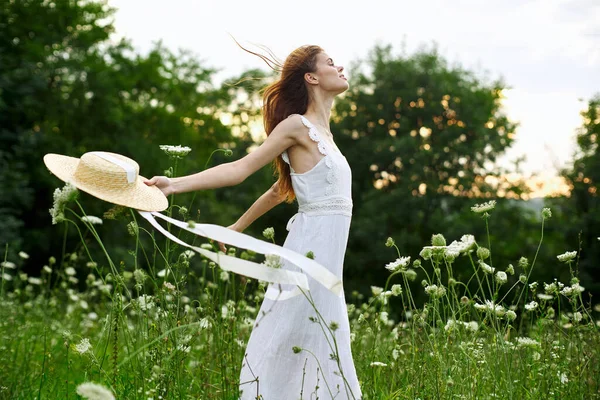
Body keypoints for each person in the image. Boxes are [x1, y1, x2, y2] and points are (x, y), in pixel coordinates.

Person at [145, 44, 362, 400]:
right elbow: (239, 170)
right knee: (294, 338)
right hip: (308, 253)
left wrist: (236, 228)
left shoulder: (328, 136)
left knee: (322, 341)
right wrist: (174, 185)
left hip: (328, 259)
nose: (340, 66)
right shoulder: (296, 126)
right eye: (329, 63)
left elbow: (281, 190)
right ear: (312, 77)